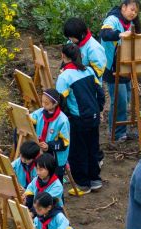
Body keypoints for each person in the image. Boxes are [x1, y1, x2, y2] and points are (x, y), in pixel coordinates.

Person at [56, 43, 105, 194]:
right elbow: (100, 93)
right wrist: (99, 109)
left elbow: (60, 101)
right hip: (94, 116)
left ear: (63, 57)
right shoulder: (89, 70)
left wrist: (66, 118)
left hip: (78, 119)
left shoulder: (64, 77)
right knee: (93, 147)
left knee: (79, 151)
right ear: (80, 56)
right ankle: (95, 180)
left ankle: (83, 184)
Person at [100, 0, 141, 141]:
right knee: (119, 100)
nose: (133, 13)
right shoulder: (112, 19)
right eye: (131, 9)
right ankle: (117, 133)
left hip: (126, 67)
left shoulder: (131, 24)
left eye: (136, 11)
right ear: (123, 7)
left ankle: (120, 130)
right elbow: (105, 33)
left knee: (126, 99)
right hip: (113, 67)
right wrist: (119, 34)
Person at [31, 89, 70, 181]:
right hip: (41, 153)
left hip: (56, 157)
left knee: (55, 182)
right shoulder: (39, 113)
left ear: (55, 103)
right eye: (42, 102)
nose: (43, 105)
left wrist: (49, 146)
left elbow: (64, 143)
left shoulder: (63, 120)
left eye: (47, 103)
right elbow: (29, 120)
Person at [64, 17, 107, 83]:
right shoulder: (71, 43)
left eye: (71, 37)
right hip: (73, 82)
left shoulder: (94, 48)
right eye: (69, 37)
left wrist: (77, 74)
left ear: (80, 35)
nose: (70, 39)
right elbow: (66, 59)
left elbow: (98, 71)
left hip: (89, 85)